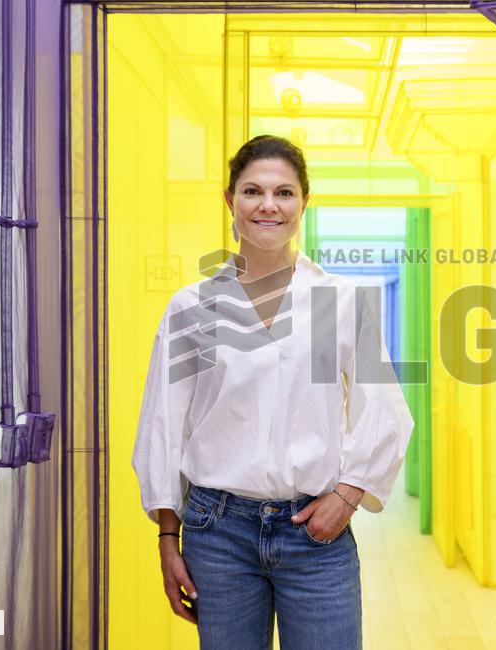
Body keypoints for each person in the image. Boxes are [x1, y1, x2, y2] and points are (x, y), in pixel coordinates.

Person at [132, 134, 415, 649]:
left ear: (304, 203)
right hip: (217, 535)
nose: (268, 205)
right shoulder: (193, 308)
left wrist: (348, 495)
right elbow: (162, 425)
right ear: (230, 200)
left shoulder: (336, 301)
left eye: (284, 192)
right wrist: (167, 537)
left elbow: (385, 411)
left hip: (315, 533)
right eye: (252, 191)